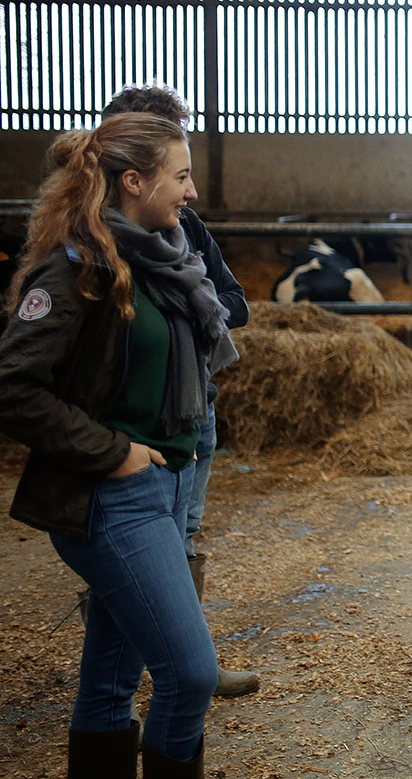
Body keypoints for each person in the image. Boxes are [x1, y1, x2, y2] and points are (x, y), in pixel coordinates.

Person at [0, 112, 238, 777]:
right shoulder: (77, 268)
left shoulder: (160, 263)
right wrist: (115, 453)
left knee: (108, 683)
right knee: (191, 677)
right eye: (181, 176)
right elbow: (13, 386)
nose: (192, 192)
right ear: (135, 181)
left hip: (160, 489)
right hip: (111, 498)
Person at [101, 85, 258, 698]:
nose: (189, 187)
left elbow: (236, 301)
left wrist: (190, 304)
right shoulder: (91, 245)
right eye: (179, 169)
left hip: (196, 411)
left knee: (183, 534)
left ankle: (183, 660)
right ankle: (164, 672)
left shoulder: (186, 227)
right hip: (130, 427)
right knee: (133, 547)